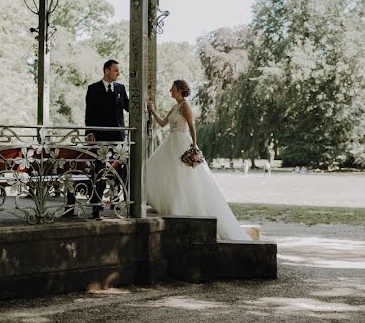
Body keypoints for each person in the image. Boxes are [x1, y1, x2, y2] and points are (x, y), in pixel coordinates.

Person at [146, 80, 249, 241]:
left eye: (172, 89)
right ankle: (171, 205)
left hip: (181, 143)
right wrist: (152, 111)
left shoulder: (185, 106)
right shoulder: (174, 107)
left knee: (182, 177)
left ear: (179, 91)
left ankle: (180, 210)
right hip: (170, 143)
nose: (170, 91)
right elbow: (163, 123)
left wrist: (194, 147)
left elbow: (191, 126)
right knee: (155, 169)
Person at [82, 59, 129, 219]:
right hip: (100, 138)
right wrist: (89, 132)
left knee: (119, 171)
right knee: (99, 172)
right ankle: (97, 208)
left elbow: (129, 107)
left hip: (117, 138)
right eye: (116, 70)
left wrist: (145, 103)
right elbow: (89, 113)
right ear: (106, 71)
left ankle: (116, 202)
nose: (118, 73)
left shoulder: (121, 89)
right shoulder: (93, 89)